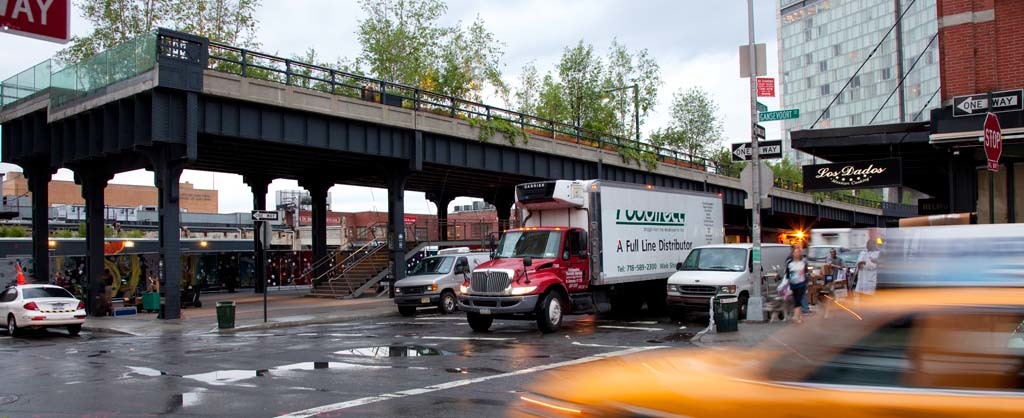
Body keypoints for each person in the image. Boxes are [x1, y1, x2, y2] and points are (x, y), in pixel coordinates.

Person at [785, 246, 810, 322]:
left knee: (798, 299)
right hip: (793, 284)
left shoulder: (803, 263)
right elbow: (787, 274)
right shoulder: (790, 263)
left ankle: (795, 316)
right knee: (796, 299)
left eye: (798, 252)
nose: (797, 254)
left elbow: (806, 272)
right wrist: (787, 285)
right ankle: (800, 317)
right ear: (792, 254)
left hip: (801, 283)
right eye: (795, 252)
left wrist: (806, 280)